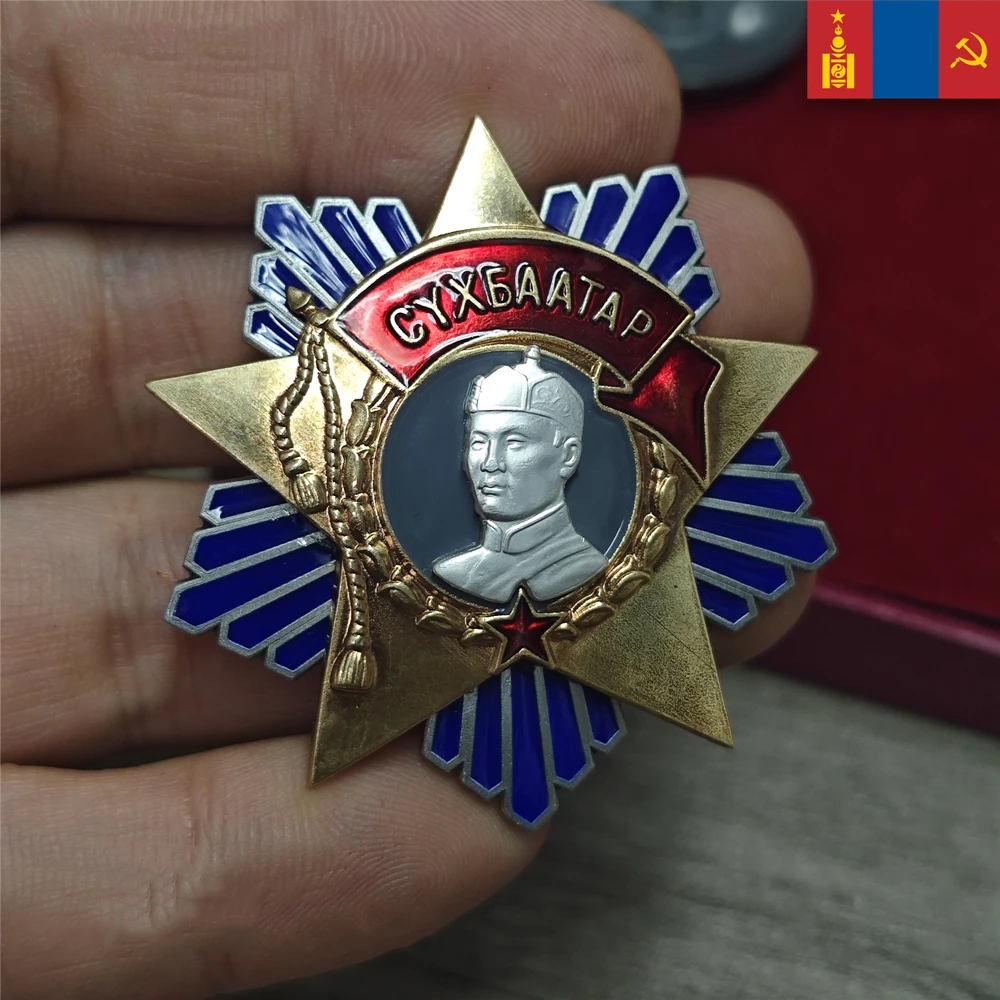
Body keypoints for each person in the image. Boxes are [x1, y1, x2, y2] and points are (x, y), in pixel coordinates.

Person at [0, 3, 816, 996]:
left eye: (514, 441)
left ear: (570, 454)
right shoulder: (454, 560)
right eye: (475, 438)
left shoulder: (585, 560)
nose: (484, 464)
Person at [434, 347, 608, 603]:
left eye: (514, 442)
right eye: (479, 442)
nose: (490, 463)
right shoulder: (455, 571)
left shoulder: (579, 567)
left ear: (568, 456)